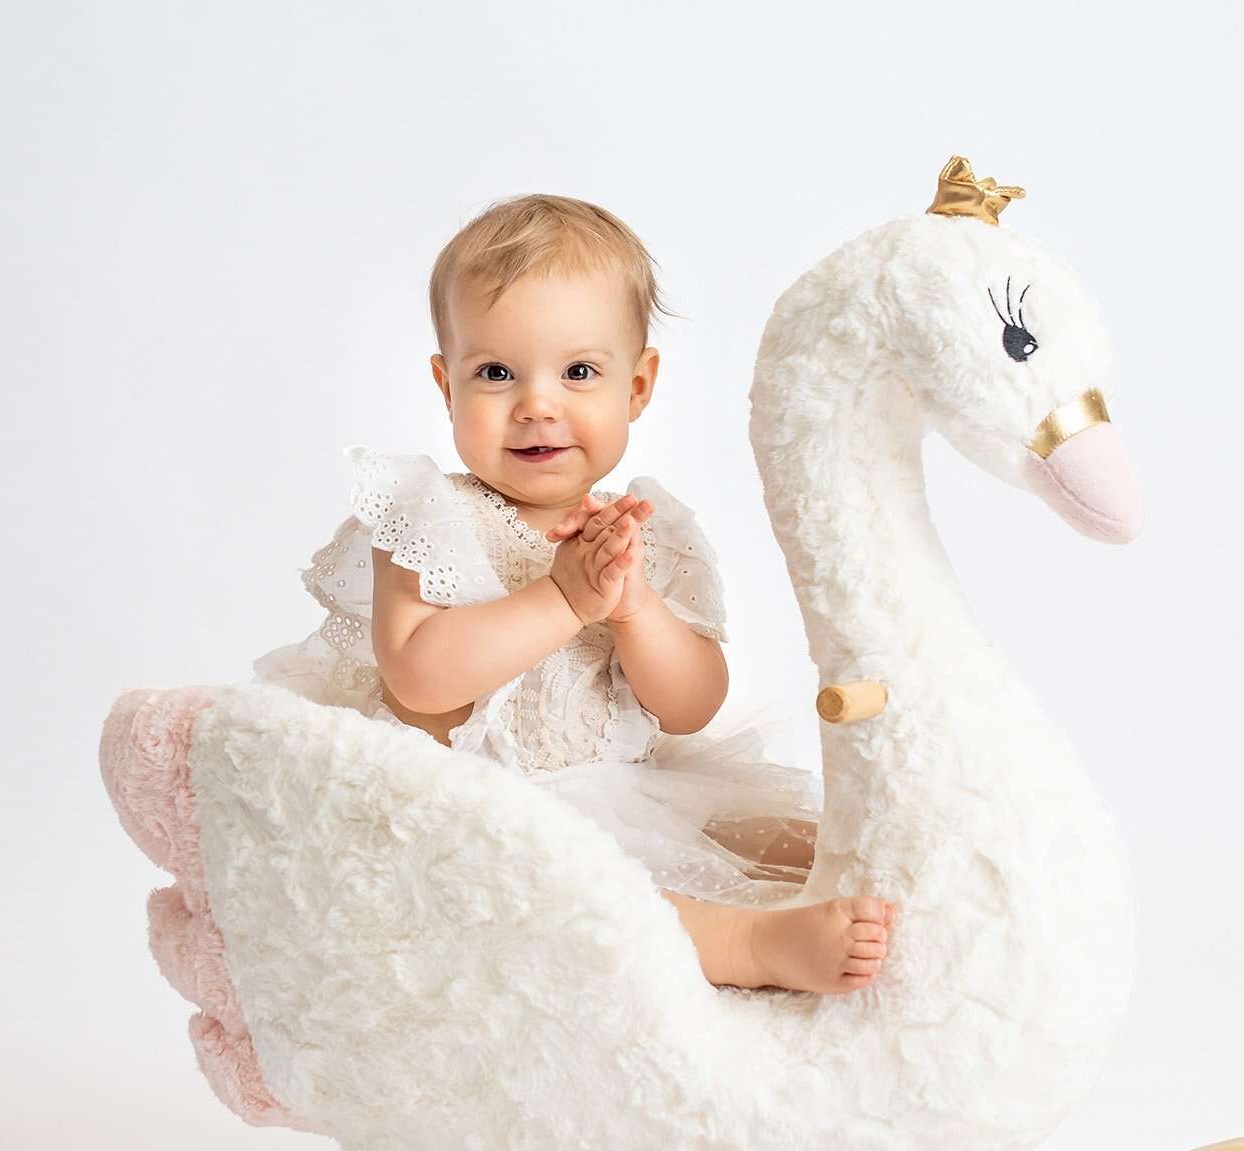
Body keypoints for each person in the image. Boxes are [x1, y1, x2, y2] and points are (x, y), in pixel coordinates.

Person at [255, 194, 896, 994]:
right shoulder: (429, 517)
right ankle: (752, 945)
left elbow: (692, 705)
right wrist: (562, 598)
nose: (537, 404)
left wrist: (633, 609)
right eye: (495, 373)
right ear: (443, 384)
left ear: (637, 387)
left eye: (579, 372)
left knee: (793, 836)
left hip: (633, 787)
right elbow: (418, 676)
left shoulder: (643, 534)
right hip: (476, 812)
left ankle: (901, 877)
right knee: (577, 895)